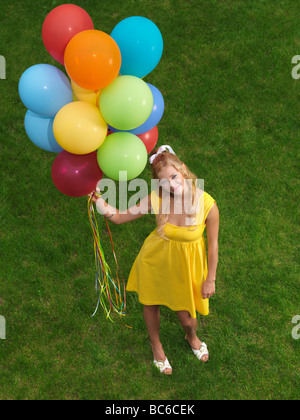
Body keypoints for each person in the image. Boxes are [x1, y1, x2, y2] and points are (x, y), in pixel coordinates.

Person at [90, 145, 219, 375]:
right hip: (155, 262)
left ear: (183, 170)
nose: (171, 183)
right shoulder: (156, 199)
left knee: (188, 319)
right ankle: (156, 346)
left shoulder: (207, 203)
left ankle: (191, 336)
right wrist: (98, 200)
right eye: (164, 181)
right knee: (151, 304)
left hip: (186, 268)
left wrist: (211, 279)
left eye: (174, 176)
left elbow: (213, 245)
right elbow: (119, 217)